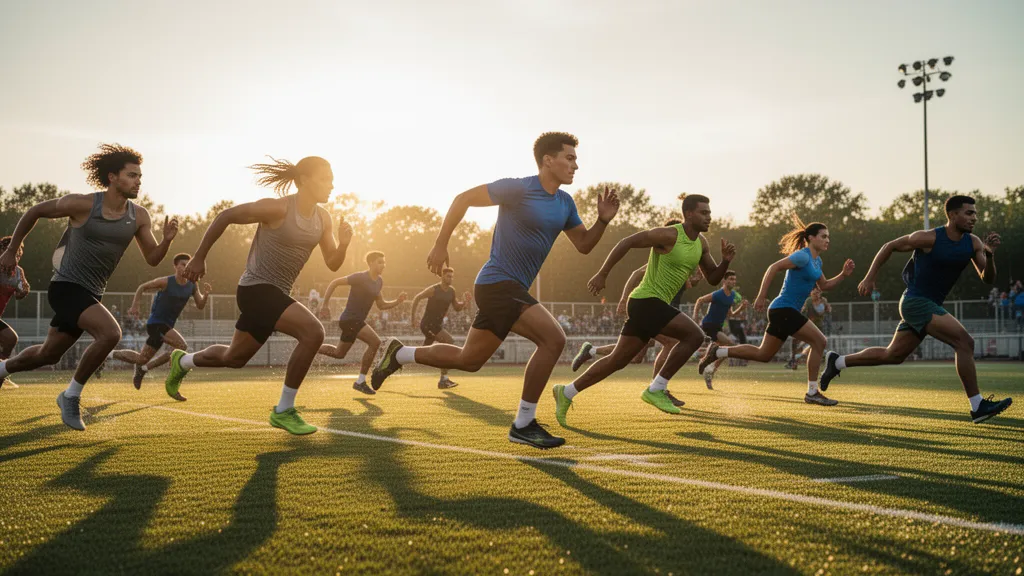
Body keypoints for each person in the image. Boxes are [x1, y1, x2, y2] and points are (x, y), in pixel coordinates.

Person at [370, 132, 619, 449]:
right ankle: (524, 423)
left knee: (469, 360)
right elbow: (463, 199)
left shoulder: (565, 203)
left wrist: (602, 221)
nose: (576, 165)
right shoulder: (518, 188)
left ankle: (400, 353)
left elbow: (584, 245)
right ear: (548, 160)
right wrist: (441, 243)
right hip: (498, 282)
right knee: (554, 338)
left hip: (506, 289)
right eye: (569, 158)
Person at [164, 156, 353, 435]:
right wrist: (199, 257)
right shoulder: (277, 208)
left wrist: (345, 244)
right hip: (256, 289)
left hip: (275, 295)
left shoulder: (323, 219)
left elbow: (333, 263)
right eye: (326, 178)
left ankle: (183, 361)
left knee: (234, 358)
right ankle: (284, 410)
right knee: (313, 332)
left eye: (332, 178)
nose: (332, 185)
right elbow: (225, 215)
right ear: (303, 180)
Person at [0, 144, 179, 430]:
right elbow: (35, 210)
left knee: (49, 354)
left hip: (92, 293)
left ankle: (1, 369)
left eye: (140, 176)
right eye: (132, 175)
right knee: (110, 334)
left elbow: (153, 258)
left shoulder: (139, 216)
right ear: (112, 177)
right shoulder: (82, 204)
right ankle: (70, 396)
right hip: (66, 287)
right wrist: (13, 249)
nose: (138, 181)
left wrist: (167, 241)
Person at [819, 195, 1013, 423]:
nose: (974, 218)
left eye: (975, 213)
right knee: (965, 342)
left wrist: (989, 257)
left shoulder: (973, 243)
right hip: (915, 302)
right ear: (952, 215)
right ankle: (977, 406)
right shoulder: (929, 238)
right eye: (969, 213)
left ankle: (837, 362)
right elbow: (889, 246)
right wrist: (870, 276)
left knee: (893, 355)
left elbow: (987, 279)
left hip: (927, 305)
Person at [552, 194, 735, 426]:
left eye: (709, 212)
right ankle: (657, 388)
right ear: (689, 214)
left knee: (617, 361)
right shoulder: (669, 234)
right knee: (695, 335)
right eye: (704, 213)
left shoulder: (702, 244)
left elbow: (712, 278)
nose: (709, 217)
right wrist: (603, 273)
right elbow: (626, 242)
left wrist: (726, 261)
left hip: (651, 306)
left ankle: (566, 392)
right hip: (646, 300)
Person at [698, 214, 854, 406]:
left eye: (828, 237)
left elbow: (825, 285)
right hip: (784, 309)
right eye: (823, 236)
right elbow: (773, 267)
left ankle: (718, 351)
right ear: (811, 238)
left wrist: (843, 275)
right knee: (820, 341)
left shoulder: (817, 262)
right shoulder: (802, 256)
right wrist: (762, 295)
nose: (827, 240)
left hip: (784, 312)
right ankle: (812, 392)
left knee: (763, 355)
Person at [110, 253, 211, 397]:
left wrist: (206, 295)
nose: (185, 267)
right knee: (181, 347)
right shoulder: (166, 282)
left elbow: (200, 305)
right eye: (182, 264)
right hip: (156, 323)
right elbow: (142, 287)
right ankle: (145, 369)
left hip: (167, 326)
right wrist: (135, 305)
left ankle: (111, 355)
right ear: (175, 266)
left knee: (141, 358)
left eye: (187, 265)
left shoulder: (192, 285)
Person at [316, 251, 406, 394]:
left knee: (339, 353)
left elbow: (381, 305)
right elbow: (334, 282)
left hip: (355, 321)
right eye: (380, 262)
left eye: (384, 262)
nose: (383, 265)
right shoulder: (360, 277)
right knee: (375, 342)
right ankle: (360, 381)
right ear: (370, 263)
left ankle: (312, 348)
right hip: (350, 319)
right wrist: (325, 304)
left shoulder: (379, 281)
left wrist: (397, 301)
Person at [409, 266, 472, 389]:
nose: (450, 278)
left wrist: (465, 302)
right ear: (442, 276)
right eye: (448, 276)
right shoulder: (434, 290)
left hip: (437, 325)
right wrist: (413, 318)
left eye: (452, 276)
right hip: (428, 324)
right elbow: (417, 298)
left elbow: (457, 308)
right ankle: (443, 380)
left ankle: (399, 358)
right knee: (449, 342)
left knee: (422, 354)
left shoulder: (451, 291)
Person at [693, 270, 747, 389]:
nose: (733, 281)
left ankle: (709, 370)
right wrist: (695, 318)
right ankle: (708, 366)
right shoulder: (718, 294)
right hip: (709, 324)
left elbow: (730, 314)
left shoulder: (732, 296)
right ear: (724, 281)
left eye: (734, 279)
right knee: (729, 344)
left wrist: (741, 308)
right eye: (731, 279)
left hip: (718, 327)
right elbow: (699, 300)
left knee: (722, 350)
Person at [0, 236, 30, 389]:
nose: (17, 256)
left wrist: (22, 290)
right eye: (13, 252)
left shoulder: (18, 272)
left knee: (11, 339)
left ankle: (1, 372)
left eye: (19, 253)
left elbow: (22, 291)